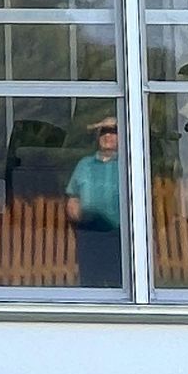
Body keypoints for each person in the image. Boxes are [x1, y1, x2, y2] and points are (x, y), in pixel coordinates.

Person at [65, 112, 124, 290]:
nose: (107, 136)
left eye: (113, 131)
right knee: (91, 283)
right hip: (89, 235)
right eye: (103, 132)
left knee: (118, 283)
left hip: (118, 235)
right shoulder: (84, 164)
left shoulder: (127, 164)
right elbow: (73, 195)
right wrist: (75, 212)